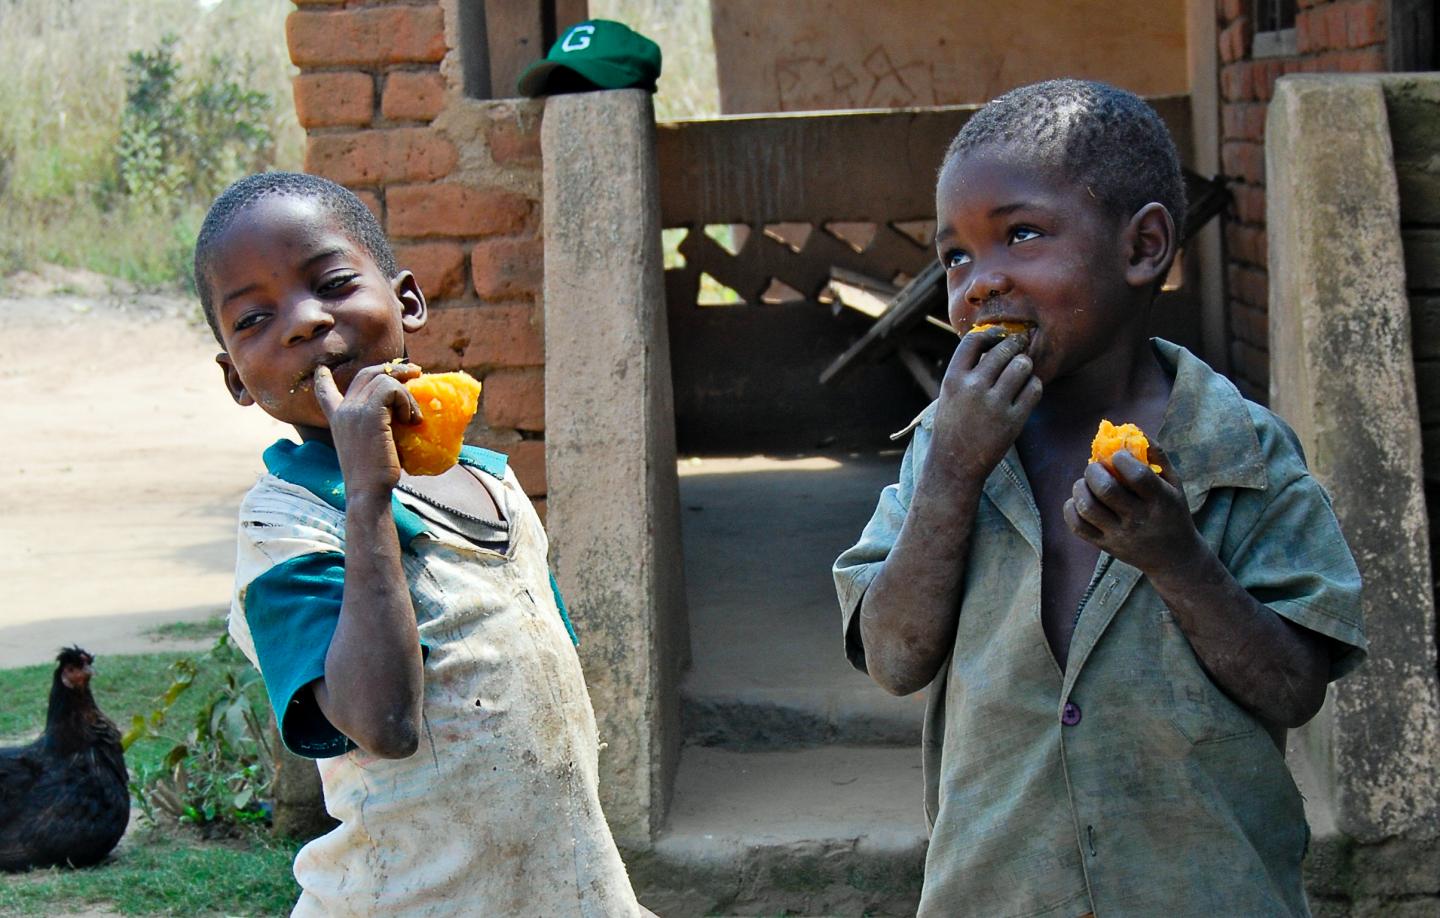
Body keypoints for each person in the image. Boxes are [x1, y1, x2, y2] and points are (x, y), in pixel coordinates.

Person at [833, 80, 1366, 917]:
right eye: (956, 257)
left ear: (1144, 245)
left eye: (1021, 235)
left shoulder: (1243, 453)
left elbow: (1294, 687)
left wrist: (1178, 559)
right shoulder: (946, 449)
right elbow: (895, 658)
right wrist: (952, 477)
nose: (980, 284)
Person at [195, 171, 643, 916]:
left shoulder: (491, 484)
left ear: (406, 301)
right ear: (237, 381)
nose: (304, 322)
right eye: (253, 320)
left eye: (333, 283)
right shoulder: (285, 523)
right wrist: (367, 495)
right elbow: (383, 724)